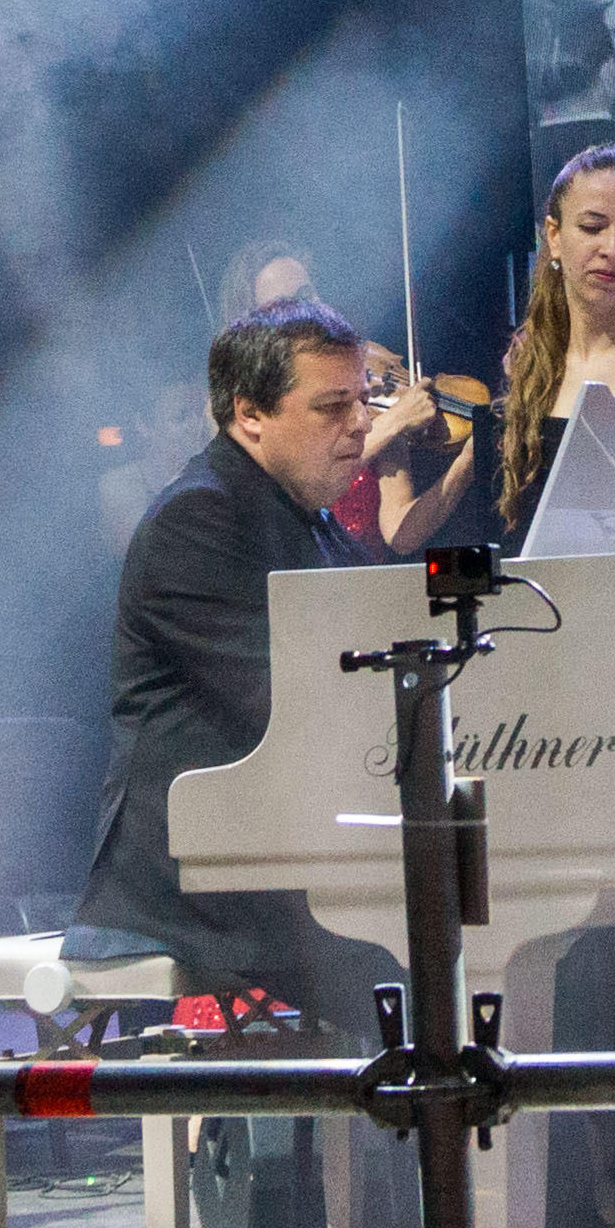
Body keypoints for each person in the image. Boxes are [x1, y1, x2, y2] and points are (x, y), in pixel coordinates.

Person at [80, 302, 410, 1044]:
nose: (361, 423)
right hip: (195, 877)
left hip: (278, 847)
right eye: (332, 406)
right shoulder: (196, 520)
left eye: (362, 400)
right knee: (423, 967)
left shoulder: (307, 518)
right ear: (250, 414)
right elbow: (294, 701)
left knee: (457, 934)